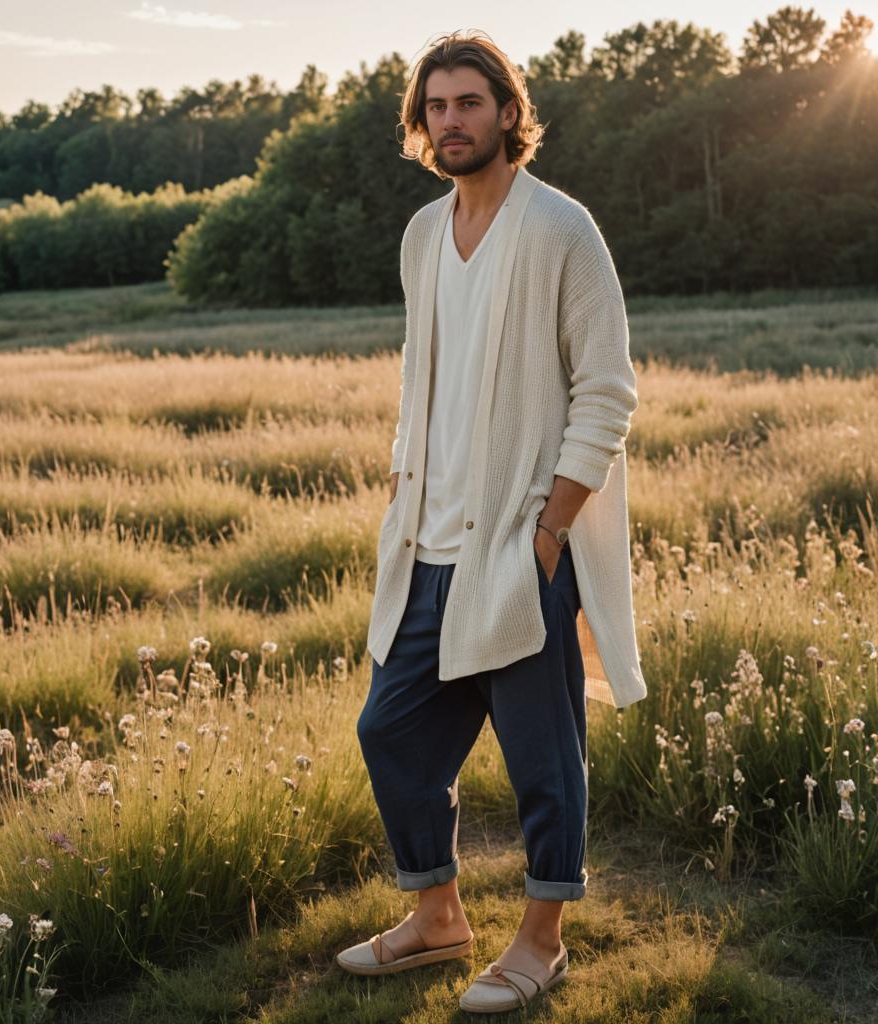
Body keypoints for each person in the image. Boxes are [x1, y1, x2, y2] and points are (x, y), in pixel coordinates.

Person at [335, 30, 646, 1014]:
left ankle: (541, 940)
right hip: (429, 544)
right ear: (419, 124)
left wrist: (549, 530)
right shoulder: (423, 233)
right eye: (434, 107)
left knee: (544, 759)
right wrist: (400, 477)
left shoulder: (560, 228)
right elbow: (418, 369)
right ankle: (435, 916)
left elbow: (606, 391)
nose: (451, 121)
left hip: (518, 545)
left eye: (469, 103)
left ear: (507, 112)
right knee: (390, 733)